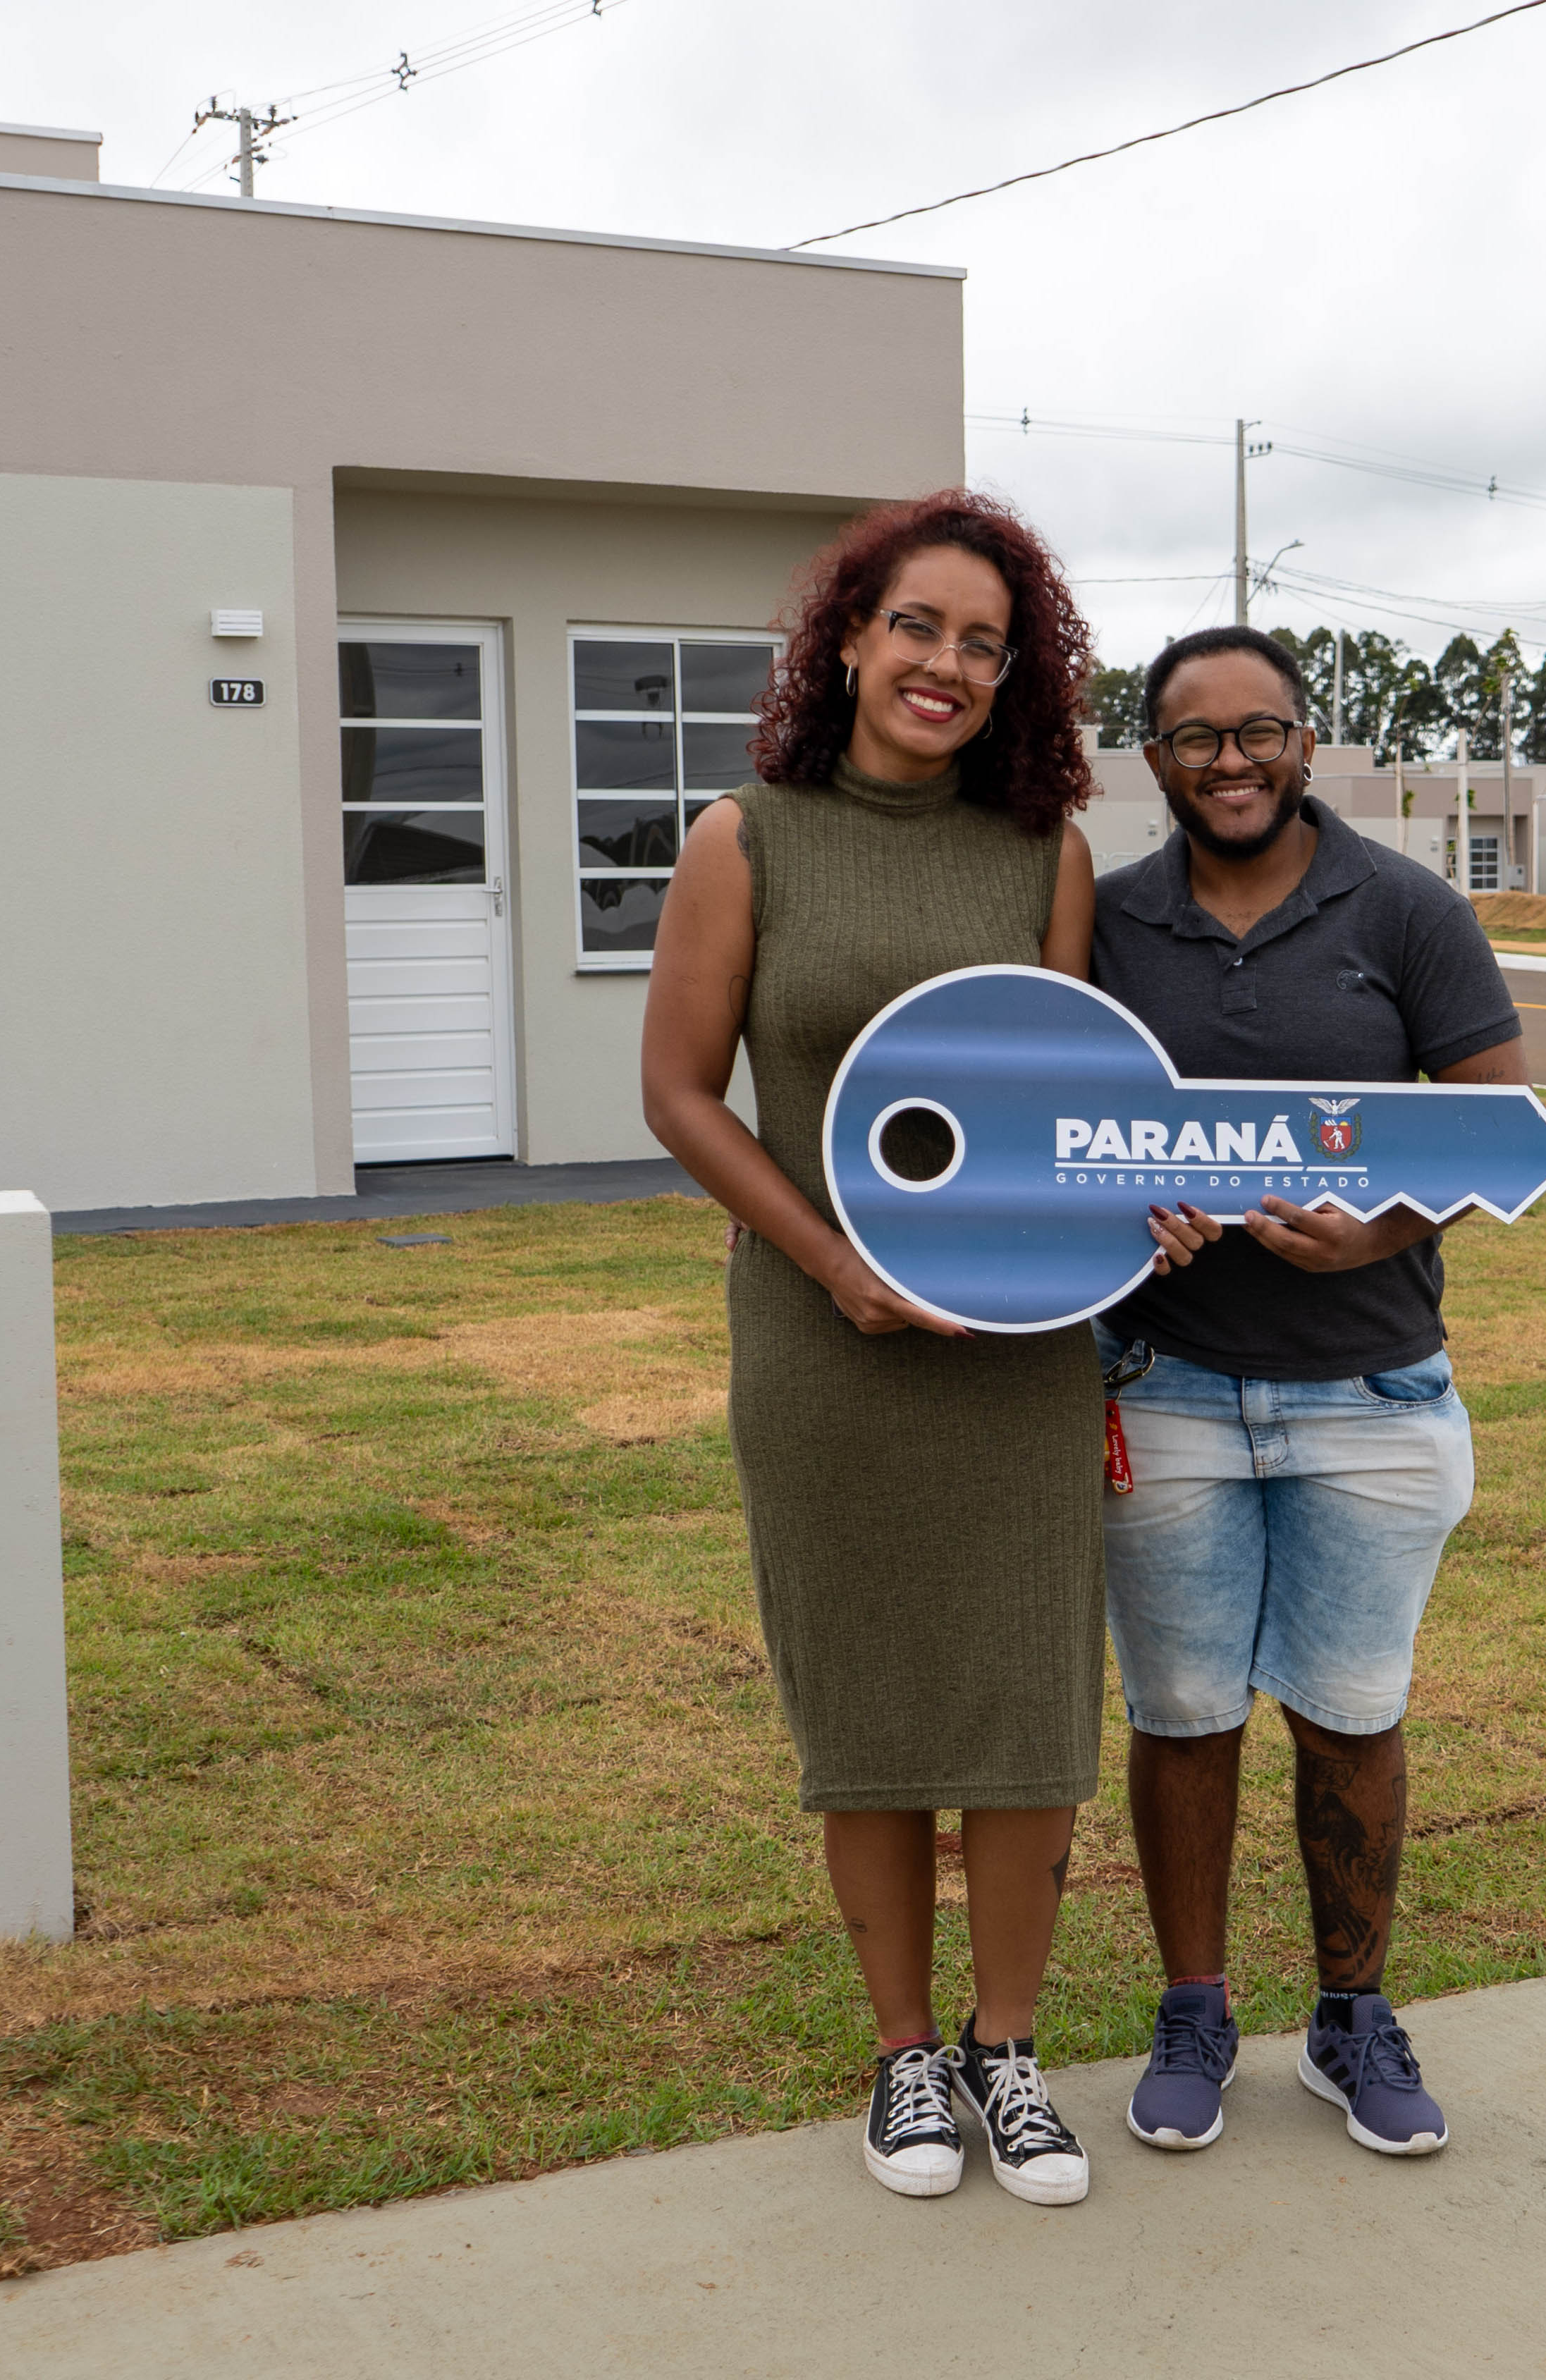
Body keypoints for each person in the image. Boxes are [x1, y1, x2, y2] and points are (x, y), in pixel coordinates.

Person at [639, 490, 1110, 2208]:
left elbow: (1076, 1097)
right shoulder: (741, 837)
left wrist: (1143, 1208)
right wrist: (830, 1262)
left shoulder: (1041, 852)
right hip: (826, 1339)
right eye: (918, 625)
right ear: (847, 636)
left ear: (1016, 678)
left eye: (986, 643)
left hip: (1014, 1348)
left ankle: (1009, 2049)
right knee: (874, 1703)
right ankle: (906, 2053)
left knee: (1024, 1701)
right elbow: (682, 1094)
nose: (947, 664)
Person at [1096, 625, 1529, 2160]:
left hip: (1371, 1390)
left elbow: (1493, 1129)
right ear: (1152, 756)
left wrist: (1385, 1222)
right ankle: (1194, 2007)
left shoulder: (1407, 911)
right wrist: (1113, 1211)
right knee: (1185, 1712)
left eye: (1258, 729)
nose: (1230, 758)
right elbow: (1058, 1127)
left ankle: (1353, 2017)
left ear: (1305, 742)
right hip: (1166, 1387)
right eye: (1195, 734)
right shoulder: (1099, 923)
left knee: (1352, 1713)